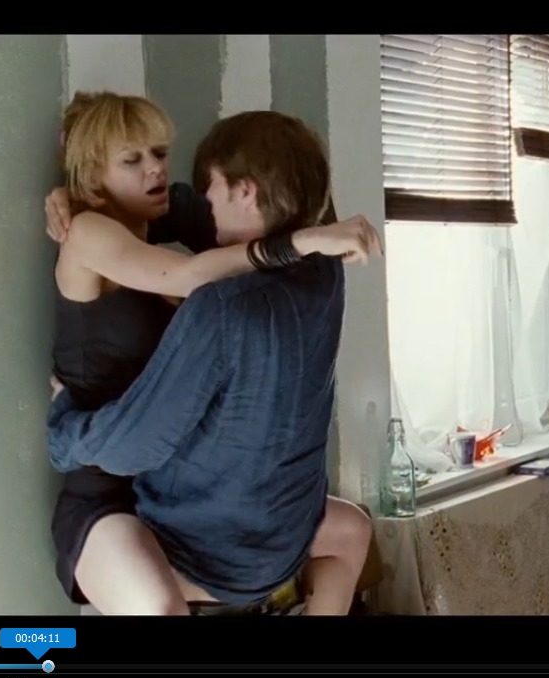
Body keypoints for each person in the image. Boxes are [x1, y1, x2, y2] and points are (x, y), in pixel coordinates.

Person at [43, 97, 380, 615]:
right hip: (105, 481)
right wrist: (309, 240)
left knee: (352, 530)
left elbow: (219, 204)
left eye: (159, 152)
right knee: (160, 607)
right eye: (132, 160)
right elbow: (187, 276)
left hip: (170, 480)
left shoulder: (154, 226)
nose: (156, 169)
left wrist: (308, 237)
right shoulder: (89, 233)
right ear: (93, 175)